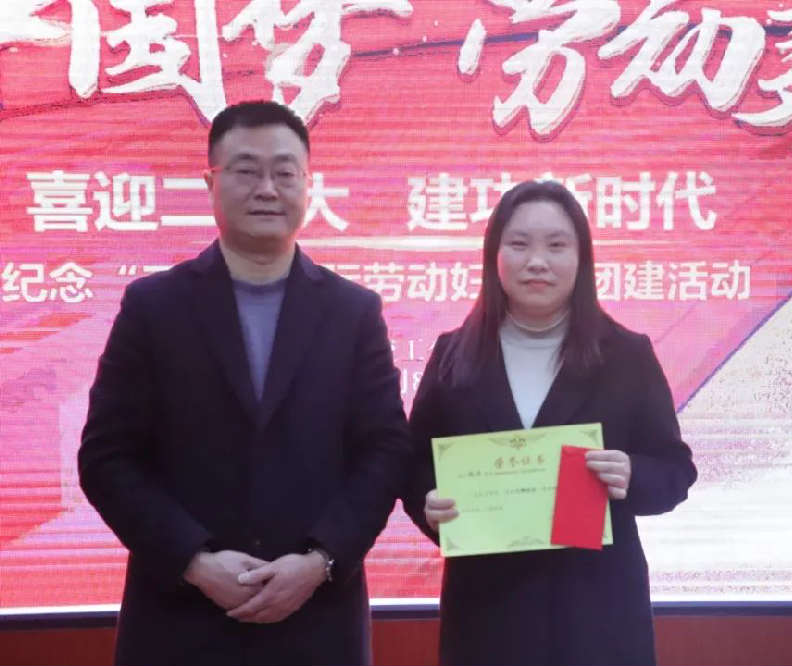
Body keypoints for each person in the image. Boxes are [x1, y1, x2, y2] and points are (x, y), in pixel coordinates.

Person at [78, 101, 410, 665]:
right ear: (211, 183)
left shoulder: (353, 312)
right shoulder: (154, 307)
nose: (267, 189)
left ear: (309, 185)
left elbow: (384, 452)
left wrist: (320, 562)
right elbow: (107, 458)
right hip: (180, 623)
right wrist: (194, 561)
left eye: (285, 172)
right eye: (246, 170)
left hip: (316, 622)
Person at [402, 179, 698, 665]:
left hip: (597, 613)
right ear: (494, 256)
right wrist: (428, 504)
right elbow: (414, 464)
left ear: (582, 259)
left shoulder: (626, 355)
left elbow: (675, 470)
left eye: (556, 246)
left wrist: (632, 474)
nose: (537, 261)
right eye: (519, 244)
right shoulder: (454, 355)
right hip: (487, 612)